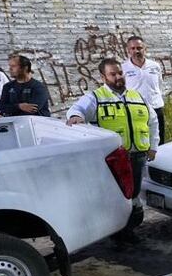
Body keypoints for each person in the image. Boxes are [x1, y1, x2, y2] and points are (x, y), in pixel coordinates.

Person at [67, 58, 158, 245]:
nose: (118, 77)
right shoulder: (96, 97)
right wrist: (76, 116)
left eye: (120, 73)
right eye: (112, 74)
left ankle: (129, 230)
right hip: (113, 159)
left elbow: (152, 121)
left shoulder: (137, 96)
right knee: (115, 197)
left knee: (133, 195)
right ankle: (117, 235)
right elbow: (77, 110)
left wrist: (153, 146)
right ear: (103, 77)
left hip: (137, 156)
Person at [123, 36, 166, 146]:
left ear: (144, 49)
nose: (136, 51)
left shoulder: (155, 66)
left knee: (159, 140)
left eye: (139, 48)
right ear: (128, 50)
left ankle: (159, 161)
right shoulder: (124, 68)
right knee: (141, 142)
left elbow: (159, 85)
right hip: (136, 111)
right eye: (132, 48)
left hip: (156, 108)